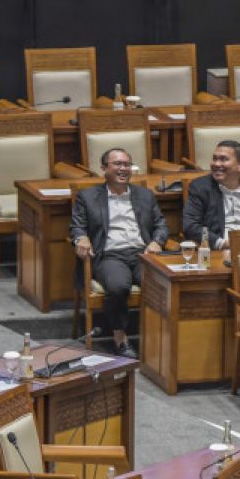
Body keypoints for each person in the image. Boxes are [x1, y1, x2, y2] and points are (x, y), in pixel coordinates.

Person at [69, 148, 169, 358]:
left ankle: (159, 337)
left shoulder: (144, 195)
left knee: (162, 284)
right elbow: (77, 226)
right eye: (117, 164)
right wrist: (81, 238)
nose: (123, 168)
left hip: (143, 253)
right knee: (117, 286)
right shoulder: (87, 197)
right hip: (110, 255)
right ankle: (120, 336)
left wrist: (157, 242)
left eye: (127, 164)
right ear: (104, 169)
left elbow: (161, 225)